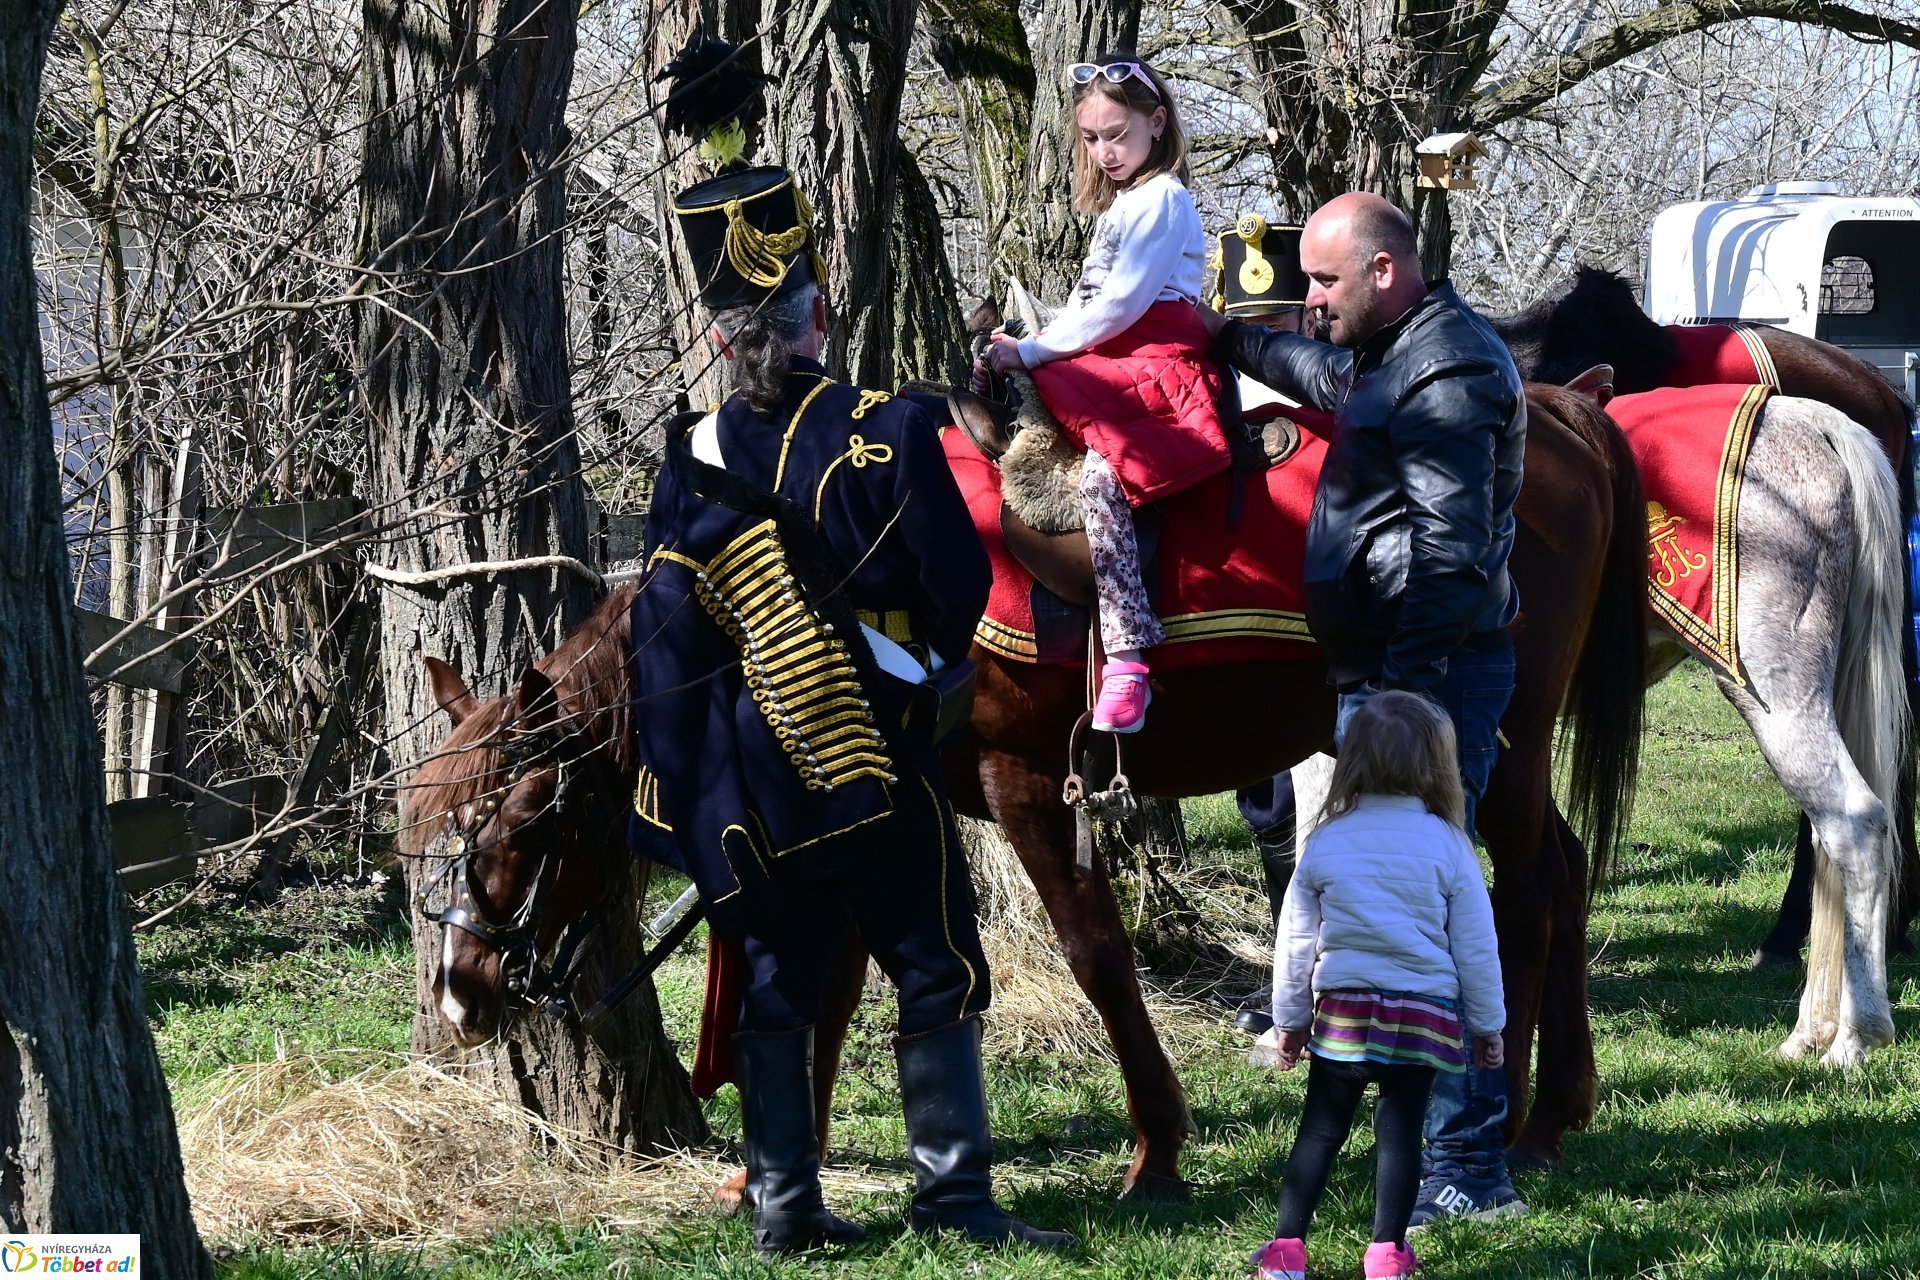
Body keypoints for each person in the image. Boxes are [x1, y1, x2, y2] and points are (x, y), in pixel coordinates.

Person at [632, 139, 1072, 1253]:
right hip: (871, 741)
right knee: (934, 960)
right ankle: (955, 1200)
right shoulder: (892, 424)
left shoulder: (686, 458)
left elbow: (667, 636)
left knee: (776, 972)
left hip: (748, 768)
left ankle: (786, 1208)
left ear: (718, 335)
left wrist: (695, 790)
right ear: (817, 317)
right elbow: (959, 586)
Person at [1200, 192, 1528, 1226]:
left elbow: (1452, 553)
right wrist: (1231, 339)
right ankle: (1431, 1148)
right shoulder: (1395, 353)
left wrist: (1405, 695)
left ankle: (1470, 1168)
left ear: (1384, 272)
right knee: (1396, 906)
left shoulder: (1448, 370)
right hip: (1390, 679)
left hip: (1425, 683)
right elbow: (1327, 374)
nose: (1312, 297)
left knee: (1428, 910)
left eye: (1325, 279)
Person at [981, 53, 1230, 735]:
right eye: (1091, 138)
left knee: (1101, 476)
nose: (1104, 151)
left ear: (1158, 122)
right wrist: (1025, 345)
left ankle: (1126, 655)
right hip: (1111, 352)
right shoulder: (1125, 203)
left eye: (1117, 135)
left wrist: (1035, 351)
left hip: (1152, 361)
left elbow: (1119, 304)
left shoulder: (1163, 200)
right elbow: (1091, 306)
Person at [1251, 692, 1506, 1280]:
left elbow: (1296, 941)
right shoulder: (1449, 844)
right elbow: (1476, 947)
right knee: (1401, 1134)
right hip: (1423, 1017)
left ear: (1352, 760)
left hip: (1343, 1014)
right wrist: (1487, 1025)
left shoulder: (1327, 840)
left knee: (1320, 1129)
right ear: (1438, 765)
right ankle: (1387, 1254)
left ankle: (1287, 1250)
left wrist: (1289, 1021)